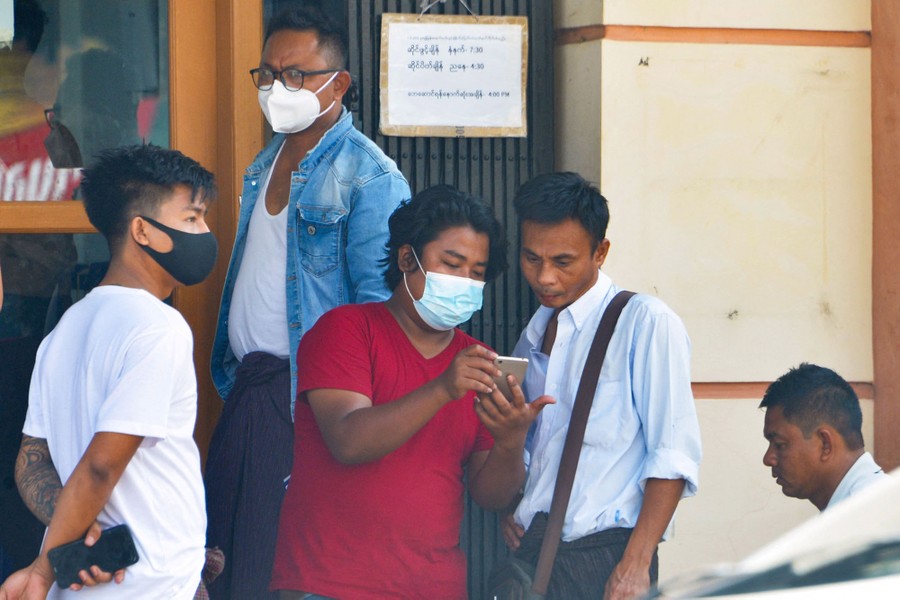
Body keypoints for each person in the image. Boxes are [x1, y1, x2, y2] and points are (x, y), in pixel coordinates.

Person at [205, 6, 409, 598]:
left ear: (337, 83)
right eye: (267, 75)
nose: (276, 89)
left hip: (314, 405)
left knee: (287, 570)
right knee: (230, 560)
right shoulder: (261, 166)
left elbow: (382, 312)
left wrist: (355, 426)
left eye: (294, 75)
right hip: (250, 390)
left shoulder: (370, 176)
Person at [270, 185, 553, 599]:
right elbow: (348, 440)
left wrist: (510, 441)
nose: (465, 282)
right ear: (407, 259)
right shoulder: (346, 330)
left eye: (477, 273)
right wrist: (442, 388)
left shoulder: (479, 362)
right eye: (451, 265)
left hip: (434, 586)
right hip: (329, 583)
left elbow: (489, 494)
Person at [0, 144, 218, 599]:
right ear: (142, 230)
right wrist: (43, 569)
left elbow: (31, 460)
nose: (206, 232)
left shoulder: (64, 330)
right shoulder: (158, 328)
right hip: (150, 584)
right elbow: (101, 466)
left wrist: (77, 533)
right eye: (192, 218)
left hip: (86, 583)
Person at [500, 172, 702, 600]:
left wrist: (635, 563)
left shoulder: (645, 322)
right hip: (535, 556)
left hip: (606, 558)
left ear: (601, 252)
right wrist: (512, 508)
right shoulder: (532, 335)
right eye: (532, 259)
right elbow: (532, 448)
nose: (545, 278)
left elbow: (672, 455)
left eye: (563, 262)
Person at [761, 362, 887, 512]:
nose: (768, 459)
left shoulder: (868, 516)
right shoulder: (865, 507)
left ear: (825, 444)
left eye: (780, 444)